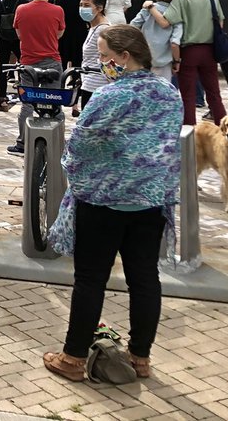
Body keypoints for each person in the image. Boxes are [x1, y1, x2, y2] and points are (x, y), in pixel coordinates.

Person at [43, 25, 183, 383]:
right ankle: (141, 356)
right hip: (150, 201)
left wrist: (76, 174)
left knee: (90, 280)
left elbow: (78, 148)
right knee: (144, 278)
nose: (102, 62)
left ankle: (73, 357)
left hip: (103, 201)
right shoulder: (169, 93)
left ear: (125, 56)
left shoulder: (109, 97)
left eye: (105, 55)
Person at [143, 0, 227, 127]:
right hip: (209, 50)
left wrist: (151, 7)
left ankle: (189, 132)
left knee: (187, 95)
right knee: (214, 94)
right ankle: (222, 129)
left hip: (188, 51)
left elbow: (165, 22)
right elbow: (220, 22)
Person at [8, 0, 65, 154]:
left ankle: (22, 143)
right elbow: (59, 34)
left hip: (28, 61)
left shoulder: (22, 10)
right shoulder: (57, 11)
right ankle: (57, 141)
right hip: (52, 61)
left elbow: (18, 34)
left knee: (27, 104)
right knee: (55, 101)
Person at [132, 0, 183, 81]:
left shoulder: (148, 9)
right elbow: (174, 43)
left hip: (144, 59)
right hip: (164, 63)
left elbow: (133, 26)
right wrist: (176, 61)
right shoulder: (175, 13)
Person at [76, 0, 111, 113]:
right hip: (89, 83)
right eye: (81, 4)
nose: (82, 8)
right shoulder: (93, 27)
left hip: (97, 86)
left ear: (100, 7)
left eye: (87, 5)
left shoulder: (103, 30)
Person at [0, 0, 26, 112]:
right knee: (24, 66)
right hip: (19, 37)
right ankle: (24, 93)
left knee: (2, 68)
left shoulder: (0, 3)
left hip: (3, 37)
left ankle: (2, 98)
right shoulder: (23, 3)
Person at [56, 0, 86, 72]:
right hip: (79, 33)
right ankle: (76, 81)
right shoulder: (83, 2)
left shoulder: (59, 1)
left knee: (62, 61)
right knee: (78, 61)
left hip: (63, 33)